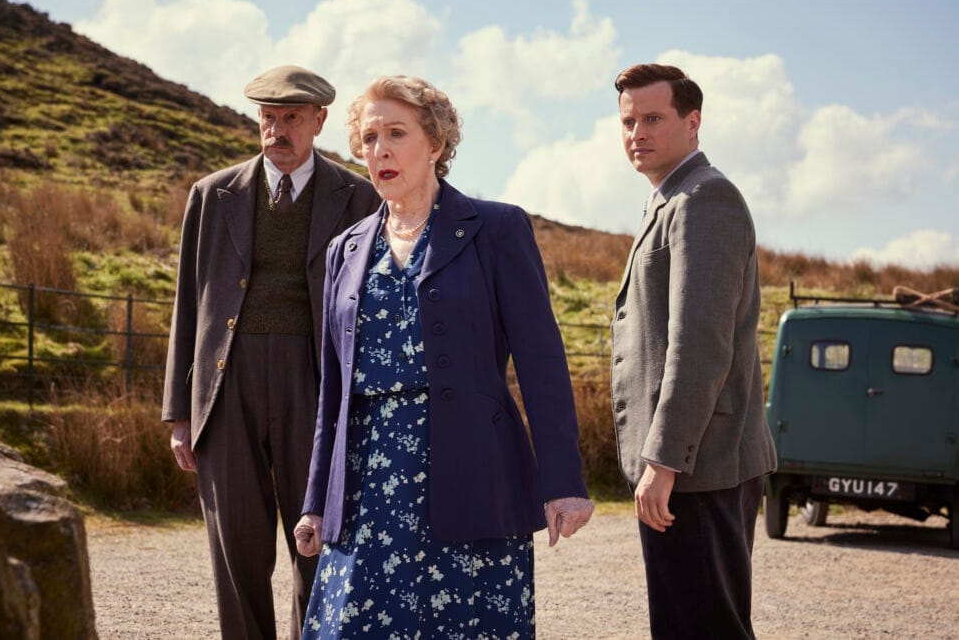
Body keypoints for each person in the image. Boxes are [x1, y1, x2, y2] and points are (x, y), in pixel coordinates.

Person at [293, 75, 594, 638]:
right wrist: (316, 500)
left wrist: (564, 482)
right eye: (369, 136)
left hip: (474, 472)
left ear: (435, 143)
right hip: (368, 483)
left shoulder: (498, 229)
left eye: (396, 134)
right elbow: (332, 392)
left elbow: (542, 363)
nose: (378, 149)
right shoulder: (345, 249)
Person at [161, 65, 380, 639]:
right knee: (236, 545)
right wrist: (179, 413)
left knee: (319, 540)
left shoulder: (358, 196)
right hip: (226, 385)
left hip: (318, 383)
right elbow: (189, 304)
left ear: (319, 121)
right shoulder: (212, 195)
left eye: (291, 119)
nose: (277, 130)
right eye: (268, 118)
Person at [609, 63, 777, 639]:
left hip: (698, 466)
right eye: (628, 121)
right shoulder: (672, 198)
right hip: (688, 464)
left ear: (693, 121)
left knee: (706, 628)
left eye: (653, 118)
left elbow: (699, 345)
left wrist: (664, 461)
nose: (637, 132)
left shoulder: (706, 199)